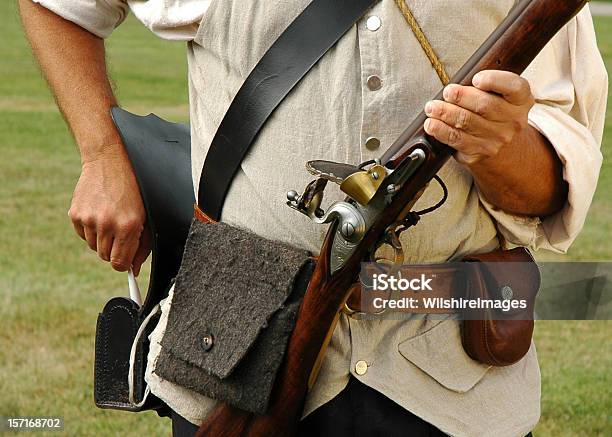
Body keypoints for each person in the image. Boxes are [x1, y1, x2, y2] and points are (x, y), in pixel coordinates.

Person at [19, 0, 606, 435]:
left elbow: (552, 187)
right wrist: (101, 155)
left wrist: (500, 147)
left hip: (452, 377)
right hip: (238, 351)